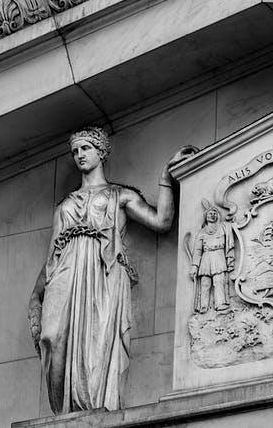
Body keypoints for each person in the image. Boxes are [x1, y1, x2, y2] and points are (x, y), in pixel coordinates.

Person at [28, 127, 196, 413]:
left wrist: (166, 179)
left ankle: (91, 408)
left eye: (86, 148)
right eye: (75, 151)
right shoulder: (65, 206)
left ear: (101, 152)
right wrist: (36, 294)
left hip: (102, 275)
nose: (79, 155)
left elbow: (162, 221)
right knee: (52, 336)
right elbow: (51, 256)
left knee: (97, 344)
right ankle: (63, 412)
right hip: (65, 273)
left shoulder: (120, 196)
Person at [188, 200, 235, 313]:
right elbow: (198, 251)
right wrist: (194, 266)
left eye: (214, 213)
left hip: (218, 255)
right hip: (206, 257)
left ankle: (220, 303)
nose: (212, 215)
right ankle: (203, 306)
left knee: (219, 280)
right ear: (206, 217)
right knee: (205, 283)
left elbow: (232, 227)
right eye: (210, 213)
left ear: (217, 216)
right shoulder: (202, 232)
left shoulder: (223, 227)